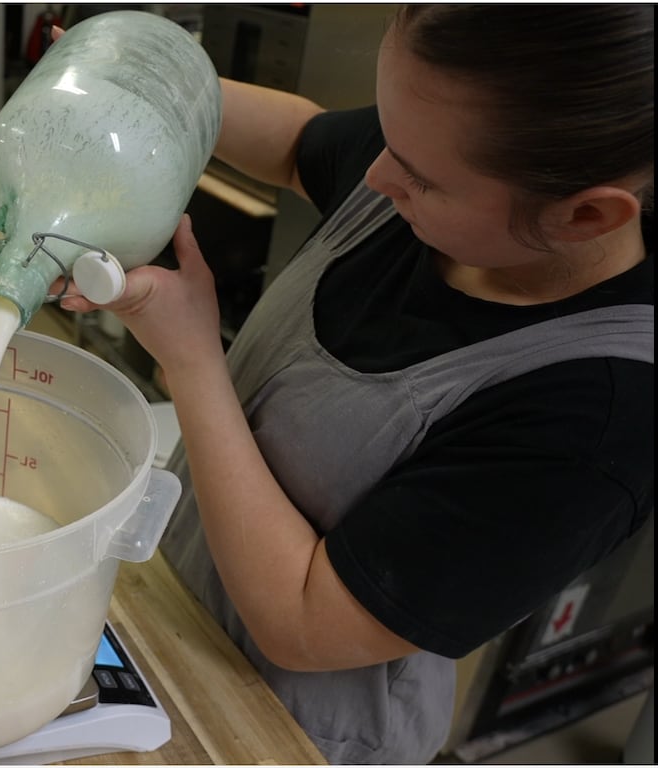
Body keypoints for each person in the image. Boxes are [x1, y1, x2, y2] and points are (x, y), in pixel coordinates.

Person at [57, 5, 654, 764]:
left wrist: (192, 358)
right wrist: (137, 69)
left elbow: (308, 624)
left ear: (585, 215)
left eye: (419, 175)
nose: (376, 173)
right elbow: (294, 140)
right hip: (183, 619)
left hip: (288, 731)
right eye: (390, 131)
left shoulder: (598, 416)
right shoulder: (432, 167)